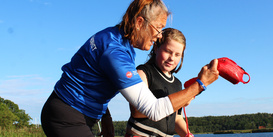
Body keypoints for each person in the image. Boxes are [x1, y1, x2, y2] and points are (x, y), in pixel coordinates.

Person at [41, 0, 219, 137]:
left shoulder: (116, 38)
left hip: (71, 112)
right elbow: (153, 110)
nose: (158, 37)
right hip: (67, 116)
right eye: (157, 29)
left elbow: (97, 81)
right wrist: (201, 84)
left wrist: (106, 118)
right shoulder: (115, 52)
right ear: (140, 22)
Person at [125, 28, 193, 137]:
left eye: (177, 55)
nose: (171, 58)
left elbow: (176, 118)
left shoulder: (177, 84)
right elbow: (136, 111)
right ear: (156, 48)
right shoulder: (143, 72)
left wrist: (187, 134)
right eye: (168, 51)